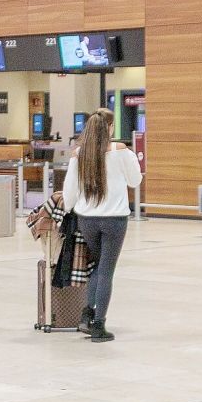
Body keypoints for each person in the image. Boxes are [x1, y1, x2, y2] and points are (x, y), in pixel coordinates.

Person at [62, 108, 142, 342]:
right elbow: (135, 180)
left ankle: (87, 314)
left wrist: (68, 209)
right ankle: (98, 326)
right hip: (114, 220)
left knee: (97, 266)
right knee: (106, 269)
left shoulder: (79, 154)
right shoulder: (121, 151)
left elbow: (69, 191)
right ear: (110, 128)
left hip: (87, 219)